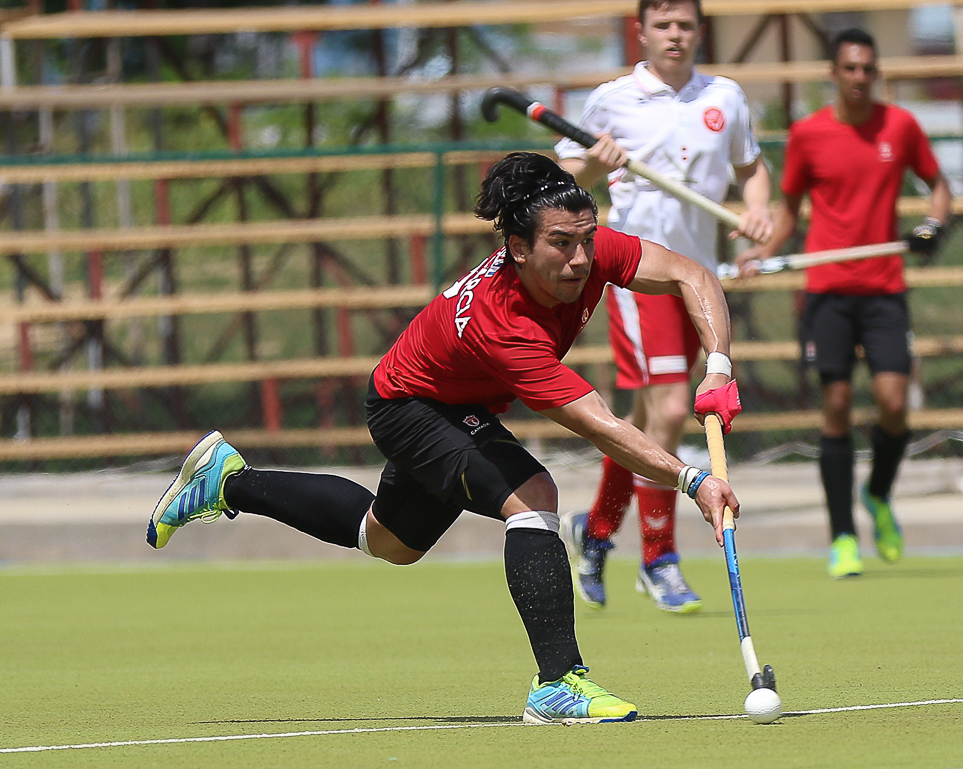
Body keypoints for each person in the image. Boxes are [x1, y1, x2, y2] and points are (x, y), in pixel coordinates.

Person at [146, 152, 744, 725]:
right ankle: (557, 683)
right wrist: (693, 480)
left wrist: (717, 365)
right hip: (409, 406)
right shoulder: (502, 322)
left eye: (586, 240)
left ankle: (229, 481)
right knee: (534, 496)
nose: (581, 259)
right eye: (561, 245)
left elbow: (691, 275)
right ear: (517, 248)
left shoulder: (586, 246)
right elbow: (603, 428)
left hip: (455, 402)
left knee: (388, 541)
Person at [554, 0, 772, 614]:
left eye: (685, 26)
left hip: (695, 279)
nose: (675, 36)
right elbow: (566, 185)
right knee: (675, 407)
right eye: (663, 25)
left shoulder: (724, 97)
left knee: (651, 422)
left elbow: (752, 168)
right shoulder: (612, 100)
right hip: (635, 276)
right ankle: (659, 558)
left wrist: (760, 209)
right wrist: (595, 165)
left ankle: (595, 532)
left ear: (699, 32)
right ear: (642, 32)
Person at [736, 28, 952, 579]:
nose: (859, 78)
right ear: (833, 73)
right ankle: (842, 537)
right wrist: (762, 254)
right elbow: (787, 212)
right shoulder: (809, 135)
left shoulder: (900, 127)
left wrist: (933, 224)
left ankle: (878, 494)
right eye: (850, 68)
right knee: (834, 407)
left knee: (893, 401)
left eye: (868, 69)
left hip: (884, 289)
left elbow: (940, 187)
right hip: (827, 290)